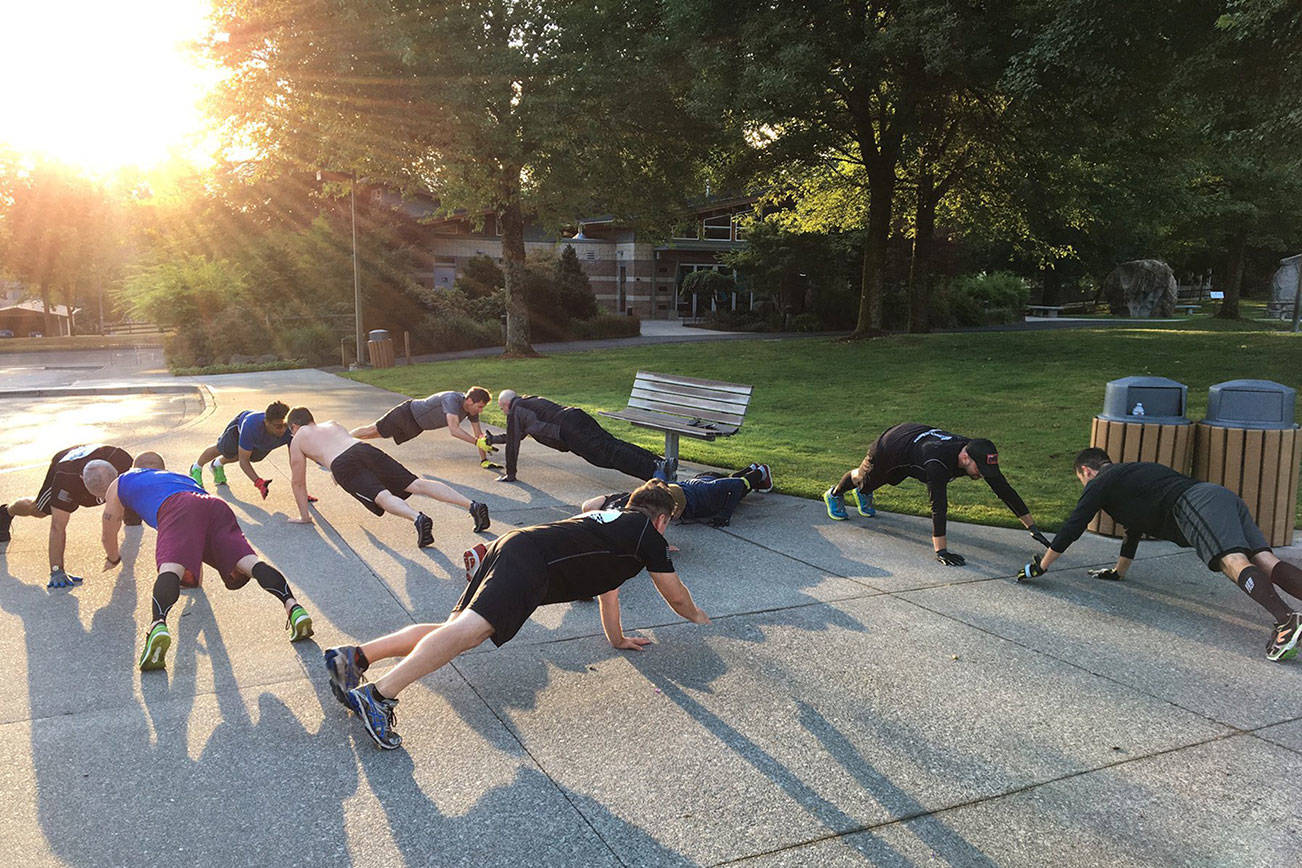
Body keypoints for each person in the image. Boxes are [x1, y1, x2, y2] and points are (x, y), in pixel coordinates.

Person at [323, 480, 710, 749]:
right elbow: (675, 597)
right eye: (668, 524)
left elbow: (608, 593)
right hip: (532, 562)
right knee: (469, 634)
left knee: (455, 630)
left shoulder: (614, 525)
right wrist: (700, 618)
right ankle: (378, 696)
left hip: (513, 545)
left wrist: (618, 639)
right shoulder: (647, 535)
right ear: (663, 519)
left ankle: (355, 657)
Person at [1019, 447, 1302, 662]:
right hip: (1221, 496)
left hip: (1193, 503)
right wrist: (1119, 571)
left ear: (1086, 471)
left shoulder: (1100, 482)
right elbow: (1134, 528)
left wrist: (1042, 566)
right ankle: (1289, 619)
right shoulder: (1131, 476)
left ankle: (1287, 621)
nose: (1084, 485)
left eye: (1081, 479)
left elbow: (1073, 526)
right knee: (1266, 561)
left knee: (1233, 562)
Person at [91, 452, 314, 671]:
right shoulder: (180, 477)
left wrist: (113, 557)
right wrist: (195, 579)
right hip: (214, 505)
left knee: (170, 569)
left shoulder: (123, 479)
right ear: (162, 468)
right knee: (250, 563)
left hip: (176, 507)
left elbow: (109, 529)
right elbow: (197, 530)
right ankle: (294, 608)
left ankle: (157, 625)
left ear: (134, 465)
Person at [823, 423, 1049, 566]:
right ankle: (834, 494)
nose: (982, 475)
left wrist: (1032, 528)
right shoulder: (937, 462)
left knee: (881, 483)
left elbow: (1004, 490)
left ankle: (865, 492)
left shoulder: (977, 453)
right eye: (980, 470)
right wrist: (941, 551)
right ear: (964, 459)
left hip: (912, 446)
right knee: (862, 479)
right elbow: (938, 506)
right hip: (890, 448)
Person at [286, 407, 489, 545]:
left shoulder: (298, 438)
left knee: (382, 497)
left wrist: (305, 516)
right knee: (416, 483)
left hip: (342, 464)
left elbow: (298, 483)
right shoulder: (332, 424)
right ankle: (472, 505)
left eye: (291, 430)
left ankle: (417, 518)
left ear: (294, 426)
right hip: (362, 448)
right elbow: (340, 445)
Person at [0, 444, 133, 587]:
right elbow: (57, 527)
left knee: (124, 496)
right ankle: (6, 512)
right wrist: (56, 569)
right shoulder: (65, 480)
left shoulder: (122, 460)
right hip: (66, 464)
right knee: (38, 510)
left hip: (96, 458)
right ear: (82, 480)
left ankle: (130, 512)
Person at [487, 390, 670, 484]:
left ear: (505, 404)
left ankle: (654, 472)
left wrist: (510, 474)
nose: (502, 412)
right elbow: (515, 437)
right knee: (612, 445)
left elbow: (512, 445)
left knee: (607, 455)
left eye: (500, 408)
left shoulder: (515, 411)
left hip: (569, 429)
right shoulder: (528, 403)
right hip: (576, 417)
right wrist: (493, 439)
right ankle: (658, 463)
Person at [581, 463, 773, 527]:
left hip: (713, 491)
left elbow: (736, 485)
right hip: (704, 481)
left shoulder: (707, 493)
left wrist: (725, 515)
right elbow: (658, 478)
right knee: (727, 481)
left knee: (739, 486)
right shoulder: (663, 491)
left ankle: (760, 471)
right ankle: (751, 468)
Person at [351, 387, 499, 469]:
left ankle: (343, 443)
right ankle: (338, 440)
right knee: (372, 430)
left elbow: (479, 436)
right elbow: (454, 430)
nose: (480, 410)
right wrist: (475, 442)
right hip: (406, 413)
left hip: (417, 426)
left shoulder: (471, 411)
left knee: (380, 435)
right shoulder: (452, 399)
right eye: (479, 406)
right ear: (469, 400)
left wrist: (484, 460)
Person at [190, 401, 295, 499]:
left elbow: (295, 461)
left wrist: (301, 490)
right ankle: (196, 468)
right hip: (238, 430)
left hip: (261, 439)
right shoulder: (251, 426)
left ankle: (217, 465)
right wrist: (259, 482)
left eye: (285, 425)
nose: (283, 430)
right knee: (222, 449)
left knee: (252, 456)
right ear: (266, 422)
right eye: (278, 426)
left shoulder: (291, 430)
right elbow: (243, 461)